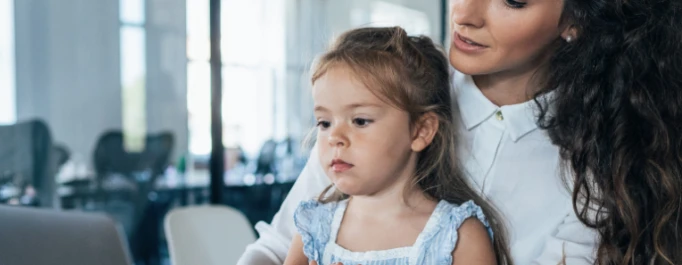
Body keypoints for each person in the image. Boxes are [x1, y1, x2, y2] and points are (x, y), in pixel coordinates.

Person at [238, 0, 682, 264]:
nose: (465, 14)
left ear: (576, 19)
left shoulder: (605, 160)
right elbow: (277, 247)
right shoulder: (383, 103)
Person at [282, 27, 510, 265]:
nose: (334, 137)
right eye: (324, 123)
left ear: (420, 131)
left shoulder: (458, 236)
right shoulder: (313, 230)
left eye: (360, 121)